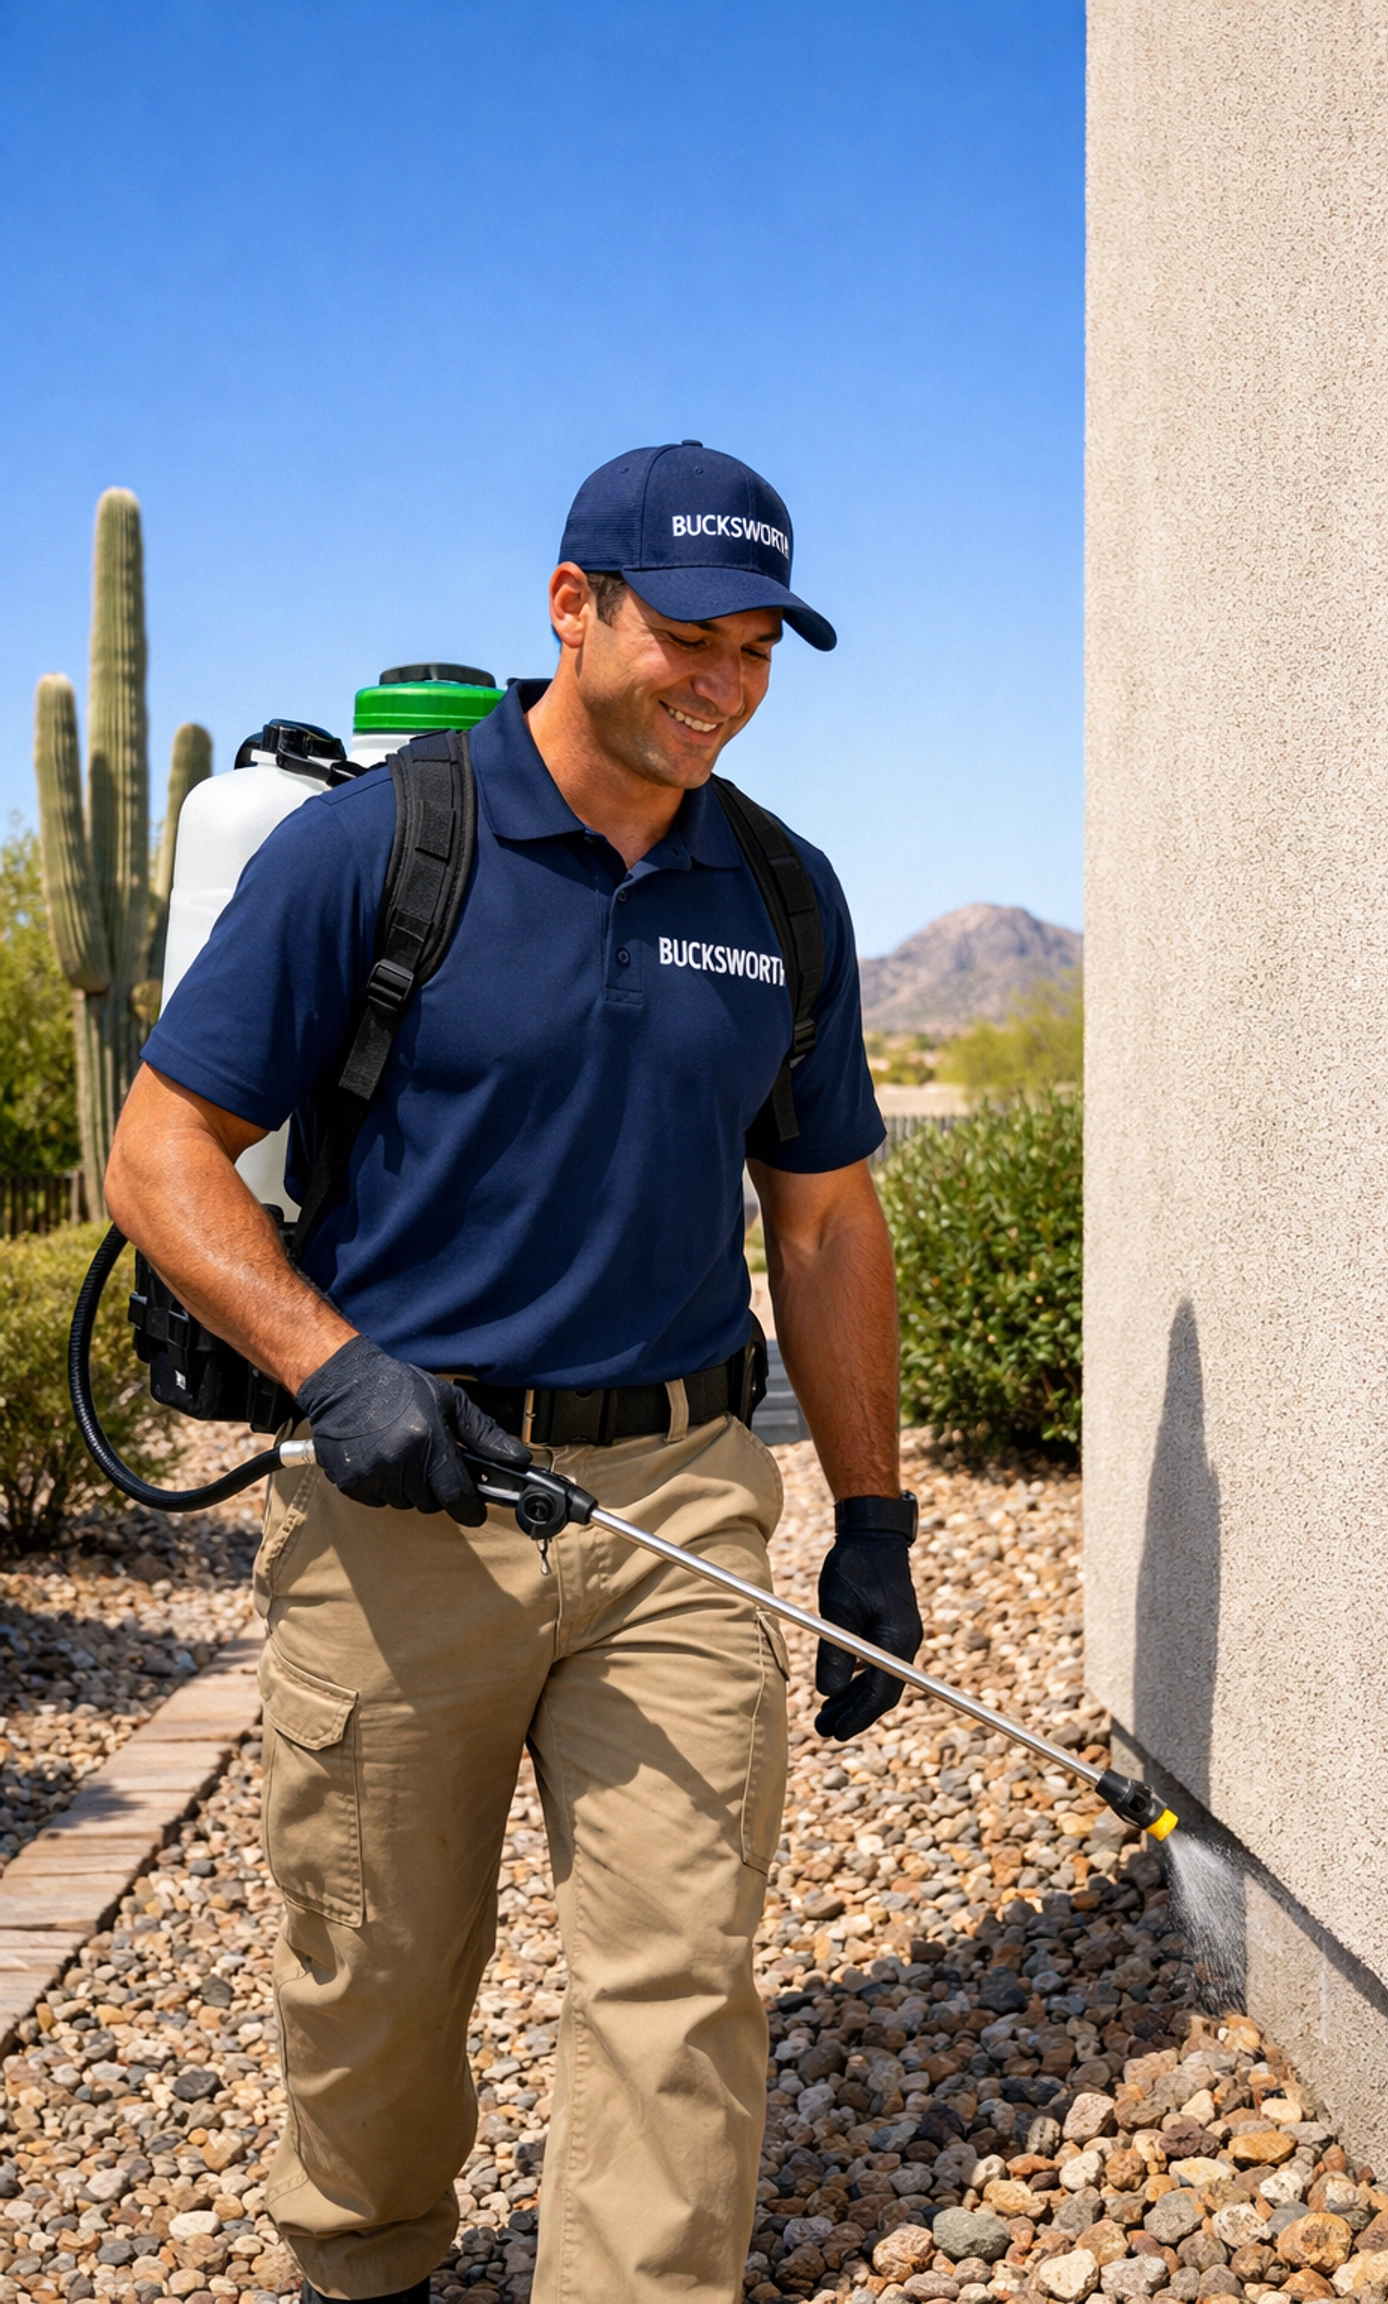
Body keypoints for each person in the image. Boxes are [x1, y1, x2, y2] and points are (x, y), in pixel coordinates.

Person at [105, 442, 924, 2304]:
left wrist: (871, 1516)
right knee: (376, 1970)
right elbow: (159, 1156)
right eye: (687, 637)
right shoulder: (383, 849)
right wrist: (336, 1370)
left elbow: (822, 1223)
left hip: (678, 1504)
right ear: (575, 608)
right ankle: (371, 2262)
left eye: (759, 647)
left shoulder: (780, 892)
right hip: (406, 1501)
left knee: (677, 1978)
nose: (724, 682)